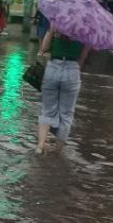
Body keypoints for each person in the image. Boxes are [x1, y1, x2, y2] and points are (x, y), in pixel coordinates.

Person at [36, 22, 90, 154]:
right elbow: (83, 56)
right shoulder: (86, 27)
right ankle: (58, 151)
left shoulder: (57, 22)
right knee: (66, 113)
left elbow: (43, 48)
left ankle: (40, 146)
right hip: (72, 69)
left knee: (47, 110)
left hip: (53, 67)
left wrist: (51, 30)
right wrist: (76, 67)